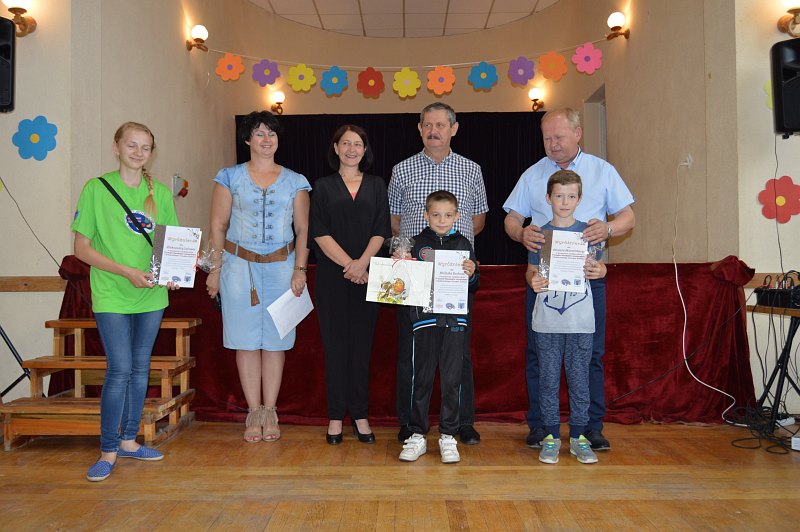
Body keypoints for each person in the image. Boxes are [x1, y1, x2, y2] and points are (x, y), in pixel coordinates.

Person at [503, 108, 635, 451]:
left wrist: (608, 229)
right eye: (547, 138)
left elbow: (628, 217)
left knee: (591, 355)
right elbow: (511, 219)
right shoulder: (533, 174)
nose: (553, 144)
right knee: (538, 354)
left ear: (578, 134)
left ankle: (590, 427)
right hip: (542, 280)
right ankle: (540, 426)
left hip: (588, 280)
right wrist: (521, 234)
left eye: (559, 137)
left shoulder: (602, 170)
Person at [73, 121, 179, 482]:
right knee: (119, 369)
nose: (138, 152)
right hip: (112, 293)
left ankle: (129, 440)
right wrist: (125, 271)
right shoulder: (96, 189)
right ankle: (108, 450)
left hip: (151, 295)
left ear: (152, 153)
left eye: (145, 147)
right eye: (131, 145)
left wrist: (173, 273)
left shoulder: (160, 193)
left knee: (140, 367)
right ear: (116, 147)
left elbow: (169, 244)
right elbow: (81, 249)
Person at [206, 110, 311, 443]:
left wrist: (300, 269)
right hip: (239, 268)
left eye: (272, 133)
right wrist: (215, 270)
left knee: (276, 342)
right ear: (247, 139)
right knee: (246, 341)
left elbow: (303, 229)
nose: (267, 139)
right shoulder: (229, 177)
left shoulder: (296, 180)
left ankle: (270, 410)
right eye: (260, 133)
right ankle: (253, 411)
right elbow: (218, 226)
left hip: (282, 268)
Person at [388, 102, 489, 446]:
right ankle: (410, 423)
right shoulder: (402, 169)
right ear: (419, 129)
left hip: (455, 280)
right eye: (427, 125)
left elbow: (478, 220)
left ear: (453, 129)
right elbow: (395, 222)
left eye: (440, 125)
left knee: (459, 355)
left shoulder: (472, 169)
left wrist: (455, 257)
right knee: (412, 353)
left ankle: (462, 423)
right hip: (414, 277)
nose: (433, 131)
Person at [309, 125, 391, 445]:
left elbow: (381, 229)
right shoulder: (323, 186)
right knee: (335, 349)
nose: (352, 149)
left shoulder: (377, 185)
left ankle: (359, 414)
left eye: (358, 144)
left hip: (369, 278)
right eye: (346, 143)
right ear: (336, 148)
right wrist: (350, 265)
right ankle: (334, 416)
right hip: (333, 279)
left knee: (361, 350)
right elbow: (319, 232)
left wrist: (362, 264)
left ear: (365, 149)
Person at [526, 170, 606, 465]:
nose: (564, 201)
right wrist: (533, 280)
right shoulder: (539, 235)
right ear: (548, 198)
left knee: (579, 379)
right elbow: (531, 271)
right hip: (547, 321)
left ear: (579, 199)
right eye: (559, 196)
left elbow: (600, 268)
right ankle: (550, 436)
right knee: (548, 379)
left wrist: (599, 270)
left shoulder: (588, 234)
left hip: (580, 321)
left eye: (571, 196)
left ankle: (578, 437)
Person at [398, 191, 479, 464]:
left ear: (457, 216)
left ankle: (448, 435)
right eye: (436, 215)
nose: (442, 220)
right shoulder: (415, 244)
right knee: (420, 379)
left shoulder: (463, 244)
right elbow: (403, 284)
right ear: (426, 215)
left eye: (447, 215)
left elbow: (475, 283)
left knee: (452, 380)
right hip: (424, 322)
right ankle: (417, 434)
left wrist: (472, 273)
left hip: (455, 322)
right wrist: (401, 264)